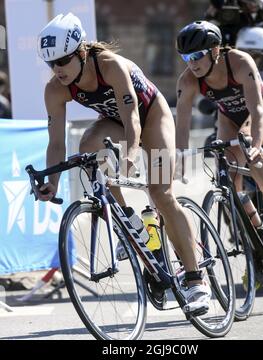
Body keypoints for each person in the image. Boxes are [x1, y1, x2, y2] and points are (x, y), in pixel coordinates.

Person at [36, 13, 211, 314]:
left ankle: (196, 280)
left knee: (160, 194)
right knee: (88, 146)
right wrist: (51, 182)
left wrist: (130, 153)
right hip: (114, 123)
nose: (57, 69)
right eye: (51, 63)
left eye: (63, 61)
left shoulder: (110, 65)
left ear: (81, 52)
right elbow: (56, 143)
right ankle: (128, 220)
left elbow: (133, 117)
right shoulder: (55, 89)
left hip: (151, 117)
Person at [175, 20, 263, 242]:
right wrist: (180, 156)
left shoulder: (239, 62)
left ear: (214, 50)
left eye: (195, 56)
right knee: (228, 176)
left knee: (247, 142)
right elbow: (182, 123)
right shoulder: (188, 80)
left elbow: (257, 109)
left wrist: (256, 145)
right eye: (185, 57)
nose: (191, 64)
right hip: (229, 117)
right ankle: (257, 239)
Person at [205, 0, 263, 64]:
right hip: (245, 71)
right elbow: (215, 42)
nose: (251, 3)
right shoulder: (234, 14)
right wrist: (211, 17)